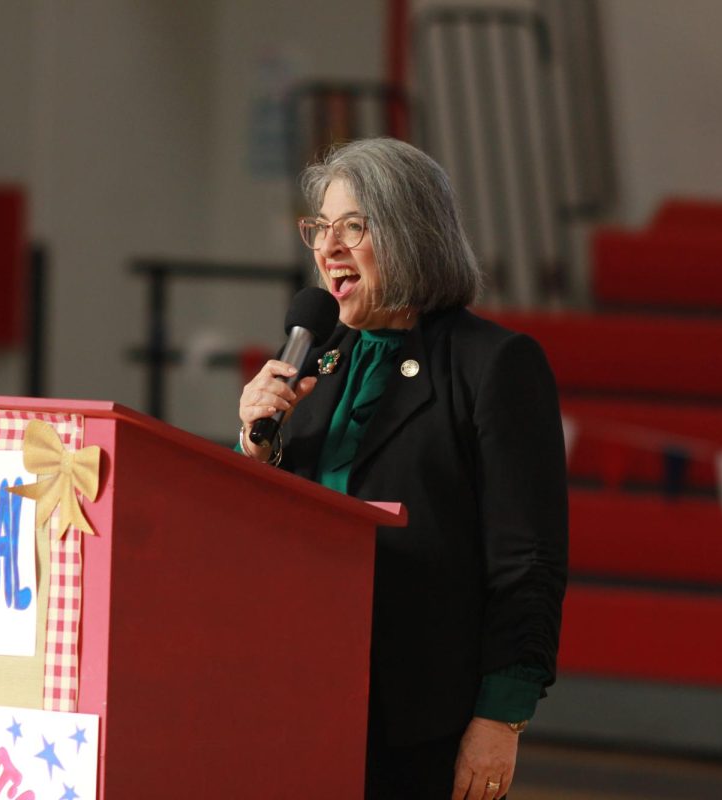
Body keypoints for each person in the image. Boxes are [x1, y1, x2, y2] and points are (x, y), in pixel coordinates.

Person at [237, 138, 568, 800]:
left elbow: (527, 561)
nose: (328, 247)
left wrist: (501, 716)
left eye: (352, 226)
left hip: (418, 717)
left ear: (411, 233)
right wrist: (255, 445)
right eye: (319, 228)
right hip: (298, 691)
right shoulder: (314, 358)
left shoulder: (492, 366)